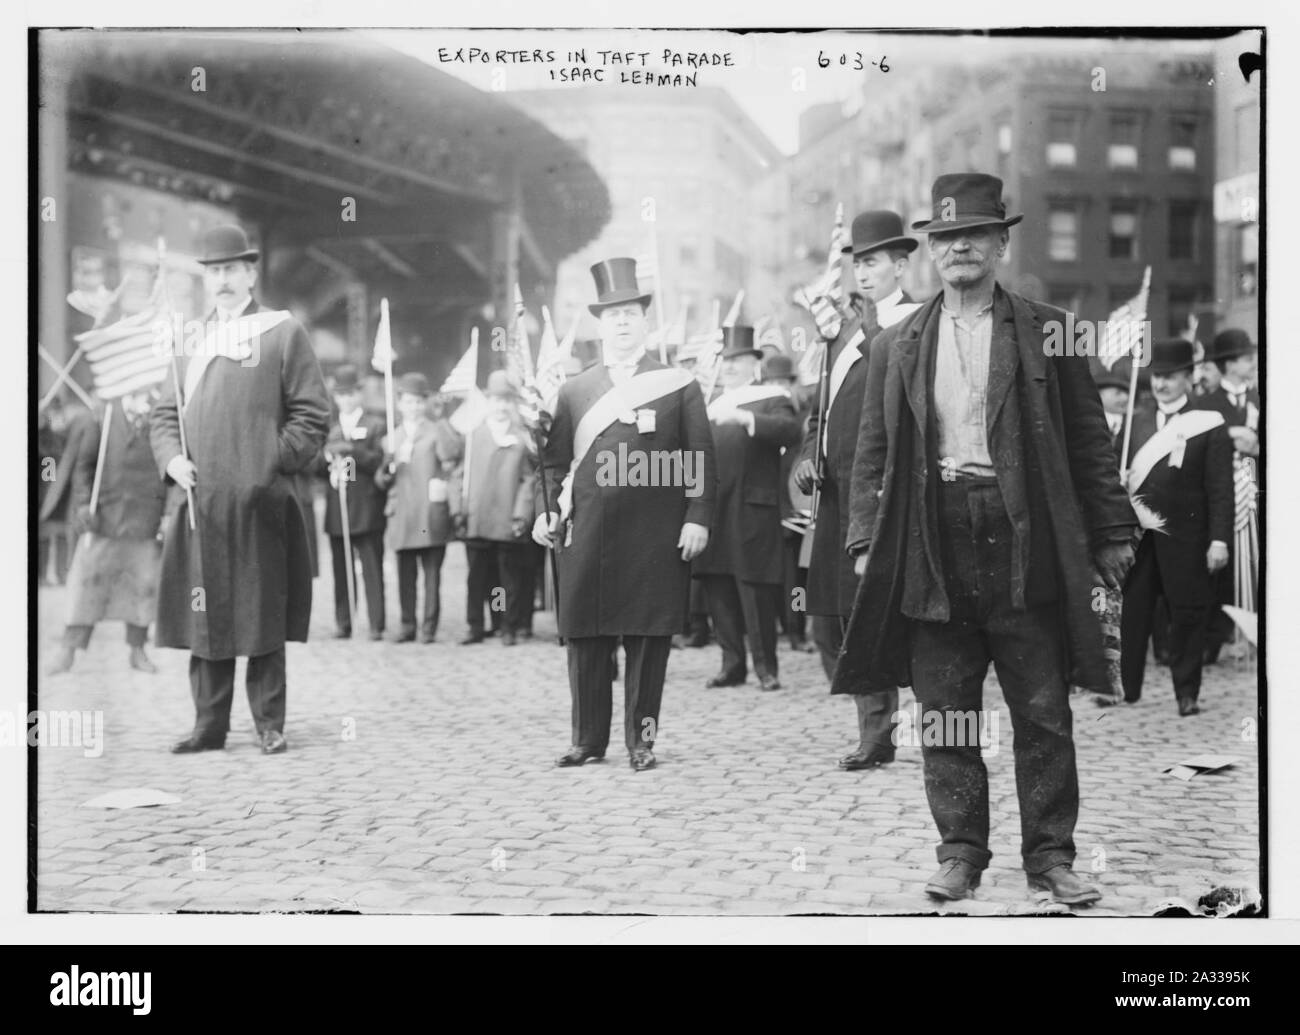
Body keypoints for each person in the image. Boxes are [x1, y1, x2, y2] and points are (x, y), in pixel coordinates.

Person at [830, 174, 1137, 905]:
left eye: (975, 233)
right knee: (945, 705)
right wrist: (867, 537)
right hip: (933, 540)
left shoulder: (1048, 328)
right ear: (932, 253)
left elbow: (1091, 442)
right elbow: (871, 451)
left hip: (1022, 537)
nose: (960, 246)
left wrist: (1112, 530)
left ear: (1001, 243)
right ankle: (961, 851)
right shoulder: (897, 342)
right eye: (946, 237)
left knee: (1041, 708)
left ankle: (1051, 856)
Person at [151, 223, 330, 755]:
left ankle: (269, 724)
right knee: (205, 612)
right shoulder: (188, 340)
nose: (223, 280)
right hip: (200, 501)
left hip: (260, 501)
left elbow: (312, 415)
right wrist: (172, 460)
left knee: (262, 611)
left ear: (251, 273)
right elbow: (165, 416)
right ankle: (209, 726)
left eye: (232, 269)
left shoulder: (281, 332)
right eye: (214, 271)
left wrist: (266, 463)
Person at [534, 257, 715, 771]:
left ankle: (642, 741)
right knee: (586, 636)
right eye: (612, 315)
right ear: (599, 323)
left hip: (655, 532)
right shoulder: (574, 389)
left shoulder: (678, 384)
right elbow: (551, 463)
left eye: (630, 313)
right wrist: (546, 514)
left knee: (648, 637)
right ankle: (588, 740)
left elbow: (699, 459)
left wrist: (697, 517)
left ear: (643, 319)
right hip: (588, 528)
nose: (621, 322)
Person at [795, 209, 922, 770]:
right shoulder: (842, 331)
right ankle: (875, 729)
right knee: (839, 617)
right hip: (838, 493)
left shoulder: (918, 320)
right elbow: (820, 409)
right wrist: (808, 452)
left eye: (873, 263)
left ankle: (917, 728)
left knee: (895, 614)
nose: (863, 275)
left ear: (900, 264)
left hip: (890, 491)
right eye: (857, 264)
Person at [1119, 339, 1233, 715]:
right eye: (1157, 377)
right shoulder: (1134, 422)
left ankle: (1187, 692)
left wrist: (1219, 539)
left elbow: (1220, 488)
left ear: (1188, 378)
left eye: (1170, 377)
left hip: (1187, 537)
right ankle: (1127, 688)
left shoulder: (1209, 423)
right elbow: (1109, 475)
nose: (1161, 384)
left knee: (1186, 614)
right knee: (1132, 613)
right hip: (1139, 536)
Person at [694, 326, 802, 691]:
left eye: (737, 361)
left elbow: (792, 431)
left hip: (752, 507)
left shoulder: (771, 397)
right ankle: (732, 664)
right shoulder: (709, 403)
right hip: (714, 509)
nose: (729, 368)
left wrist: (748, 419)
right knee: (717, 587)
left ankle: (766, 668)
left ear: (755, 365)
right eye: (724, 362)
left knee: (754, 589)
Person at [46, 389, 168, 675]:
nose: (147, 389)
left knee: (143, 588)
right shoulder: (102, 415)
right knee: (86, 585)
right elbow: (84, 468)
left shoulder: (162, 416)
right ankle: (68, 651)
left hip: (145, 520)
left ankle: (137, 651)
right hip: (104, 518)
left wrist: (167, 514)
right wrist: (82, 505)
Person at [450, 369, 538, 647]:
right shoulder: (473, 436)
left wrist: (521, 513)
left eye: (505, 401)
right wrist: (458, 509)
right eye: (496, 400)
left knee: (506, 579)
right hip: (477, 517)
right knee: (477, 578)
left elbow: (528, 481)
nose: (500, 406)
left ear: (511, 404)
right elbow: (458, 476)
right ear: (487, 402)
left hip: (506, 519)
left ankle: (506, 625)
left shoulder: (521, 440)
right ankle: (475, 625)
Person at [376, 372, 458, 643]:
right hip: (403, 514)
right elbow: (381, 480)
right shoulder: (391, 438)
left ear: (426, 403)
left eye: (419, 402)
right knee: (405, 574)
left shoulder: (436, 431)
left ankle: (428, 627)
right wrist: (387, 468)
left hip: (428, 511)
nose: (413, 407)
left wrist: (441, 419)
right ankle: (407, 623)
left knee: (432, 573)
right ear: (399, 404)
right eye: (409, 402)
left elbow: (451, 455)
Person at [1195, 328, 1260, 664]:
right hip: (1218, 501)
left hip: (1255, 500)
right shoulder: (1205, 404)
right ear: (1231, 364)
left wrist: (1258, 446)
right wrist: (1228, 433)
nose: (1254, 363)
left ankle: (1251, 636)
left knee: (1256, 563)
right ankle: (1214, 636)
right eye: (1248, 358)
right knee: (1219, 570)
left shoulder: (1262, 399)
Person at [319, 364, 387, 641]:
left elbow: (380, 463)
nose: (345, 400)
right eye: (340, 395)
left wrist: (353, 450)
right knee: (341, 569)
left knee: (372, 568)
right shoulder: (331, 429)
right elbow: (315, 468)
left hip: (367, 506)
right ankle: (344, 621)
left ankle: (375, 623)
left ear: (359, 394)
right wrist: (326, 458)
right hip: (339, 508)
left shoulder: (375, 425)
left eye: (350, 394)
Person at [766, 353, 814, 653]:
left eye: (783, 381)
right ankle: (788, 629)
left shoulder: (803, 418)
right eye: (773, 382)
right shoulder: (768, 417)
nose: (780, 387)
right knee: (785, 577)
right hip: (776, 510)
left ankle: (798, 629)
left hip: (803, 510)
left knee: (800, 576)